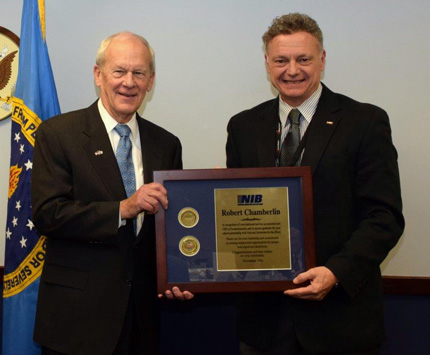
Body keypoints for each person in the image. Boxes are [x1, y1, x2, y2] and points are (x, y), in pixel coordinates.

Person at [226, 13, 404, 354]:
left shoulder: (364, 122)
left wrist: (336, 273)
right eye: (281, 60)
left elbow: (384, 216)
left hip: (340, 322)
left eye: (303, 59)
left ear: (321, 60)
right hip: (264, 324)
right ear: (267, 63)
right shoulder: (243, 126)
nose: (292, 70)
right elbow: (241, 213)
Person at [31, 31, 192, 355]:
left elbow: (170, 229)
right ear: (98, 75)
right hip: (76, 320)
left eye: (139, 73)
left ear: (151, 81)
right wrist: (122, 209)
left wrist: (184, 276)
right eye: (119, 71)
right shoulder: (59, 134)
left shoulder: (166, 144)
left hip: (142, 318)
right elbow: (49, 214)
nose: (128, 82)